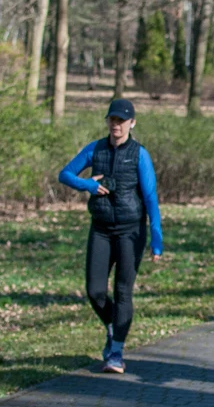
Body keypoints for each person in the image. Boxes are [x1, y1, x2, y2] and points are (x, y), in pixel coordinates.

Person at [59, 99, 164, 375]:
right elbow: (65, 174)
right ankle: (111, 325)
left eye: (121, 121)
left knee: (122, 291)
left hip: (132, 230)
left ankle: (115, 352)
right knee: (95, 290)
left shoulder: (139, 154)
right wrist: (88, 185)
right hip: (101, 228)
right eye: (112, 120)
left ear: (132, 123)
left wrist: (157, 238)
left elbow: (151, 197)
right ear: (107, 122)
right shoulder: (95, 149)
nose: (116, 125)